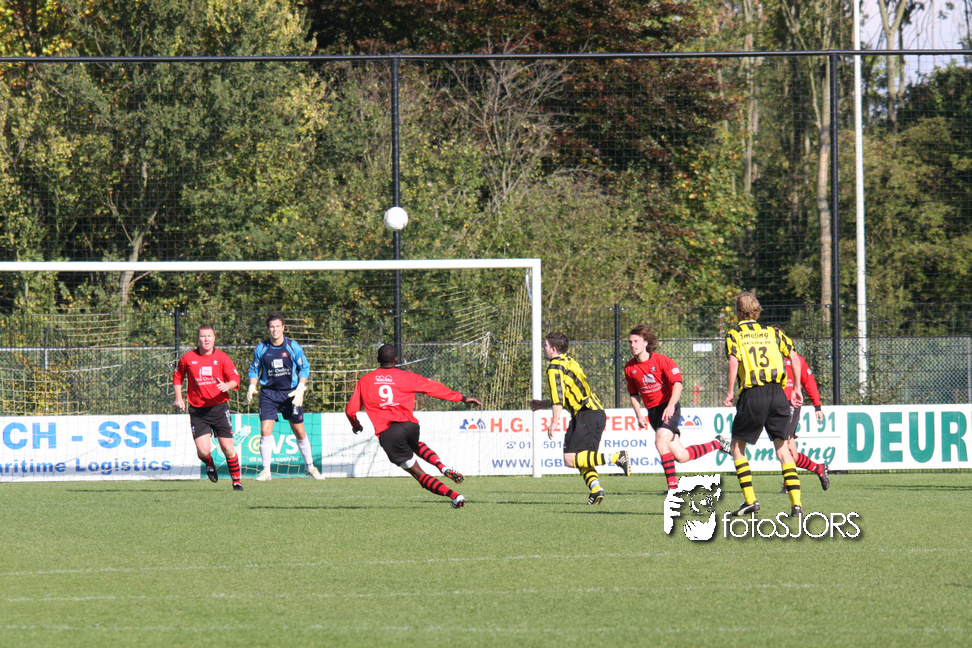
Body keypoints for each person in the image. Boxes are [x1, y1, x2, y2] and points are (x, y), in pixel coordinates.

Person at [345, 344, 481, 508]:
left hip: (388, 433)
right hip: (410, 426)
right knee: (414, 445)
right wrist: (462, 398)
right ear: (396, 359)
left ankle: (455, 496)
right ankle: (442, 467)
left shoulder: (365, 380)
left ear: (377, 359)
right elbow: (434, 388)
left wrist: (356, 425)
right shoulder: (407, 376)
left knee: (418, 473)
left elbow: (350, 410)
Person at [722, 292, 804, 517]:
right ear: (756, 311)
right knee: (783, 449)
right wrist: (796, 388)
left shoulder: (734, 334)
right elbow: (794, 358)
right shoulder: (774, 332)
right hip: (778, 394)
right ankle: (796, 505)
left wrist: (729, 393)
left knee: (737, 447)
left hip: (753, 394)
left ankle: (750, 501)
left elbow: (733, 363)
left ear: (739, 312)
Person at [624, 324, 730, 492]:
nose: (632, 345)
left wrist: (671, 405)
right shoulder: (629, 368)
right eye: (630, 342)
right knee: (681, 456)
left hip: (668, 407)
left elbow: (678, 384)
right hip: (653, 413)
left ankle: (673, 489)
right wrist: (639, 415)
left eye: (636, 341)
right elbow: (633, 394)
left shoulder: (661, 360)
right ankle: (717, 444)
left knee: (660, 442)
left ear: (645, 343)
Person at [529, 331, 630, 506]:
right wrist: (543, 404)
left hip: (585, 414)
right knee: (583, 458)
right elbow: (567, 393)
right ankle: (596, 490)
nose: (543, 348)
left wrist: (554, 421)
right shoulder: (569, 362)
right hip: (595, 412)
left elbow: (558, 398)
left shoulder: (554, 367)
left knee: (570, 459)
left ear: (553, 349)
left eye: (545, 345)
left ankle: (616, 457)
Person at [246, 313, 324, 481]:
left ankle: (310, 466)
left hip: (291, 393)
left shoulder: (292, 346)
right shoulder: (261, 348)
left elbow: (304, 368)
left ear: (283, 328)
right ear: (268, 329)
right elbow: (254, 369)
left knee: (299, 431)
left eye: (277, 326)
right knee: (265, 430)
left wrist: (301, 387)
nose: (275, 330)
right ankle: (266, 471)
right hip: (268, 393)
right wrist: (252, 386)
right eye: (271, 327)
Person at [173, 324, 244, 491]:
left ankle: (237, 482)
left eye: (209, 336)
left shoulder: (222, 357)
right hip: (198, 411)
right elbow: (177, 377)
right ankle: (209, 463)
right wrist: (179, 398)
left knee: (227, 448)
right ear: (198, 339)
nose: (206, 339)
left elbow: (235, 379)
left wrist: (227, 385)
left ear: (214, 338)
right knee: (203, 451)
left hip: (219, 409)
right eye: (203, 336)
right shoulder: (188, 358)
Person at [774, 327, 830, 492]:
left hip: (790, 404)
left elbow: (809, 381)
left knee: (784, 443)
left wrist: (817, 406)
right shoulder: (769, 358)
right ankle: (818, 468)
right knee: (789, 450)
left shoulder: (795, 358)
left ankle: (789, 483)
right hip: (774, 405)